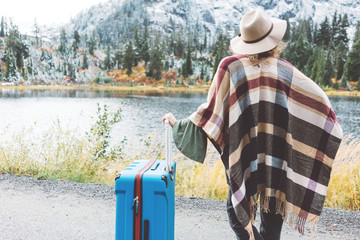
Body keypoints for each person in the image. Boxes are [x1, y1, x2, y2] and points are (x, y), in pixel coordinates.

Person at [163, 9, 343, 240]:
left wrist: (177, 123)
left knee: (236, 212)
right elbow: (319, 102)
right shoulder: (287, 71)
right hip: (276, 157)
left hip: (244, 151)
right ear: (273, 41)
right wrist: (331, 126)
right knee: (271, 218)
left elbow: (209, 111)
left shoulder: (231, 67)